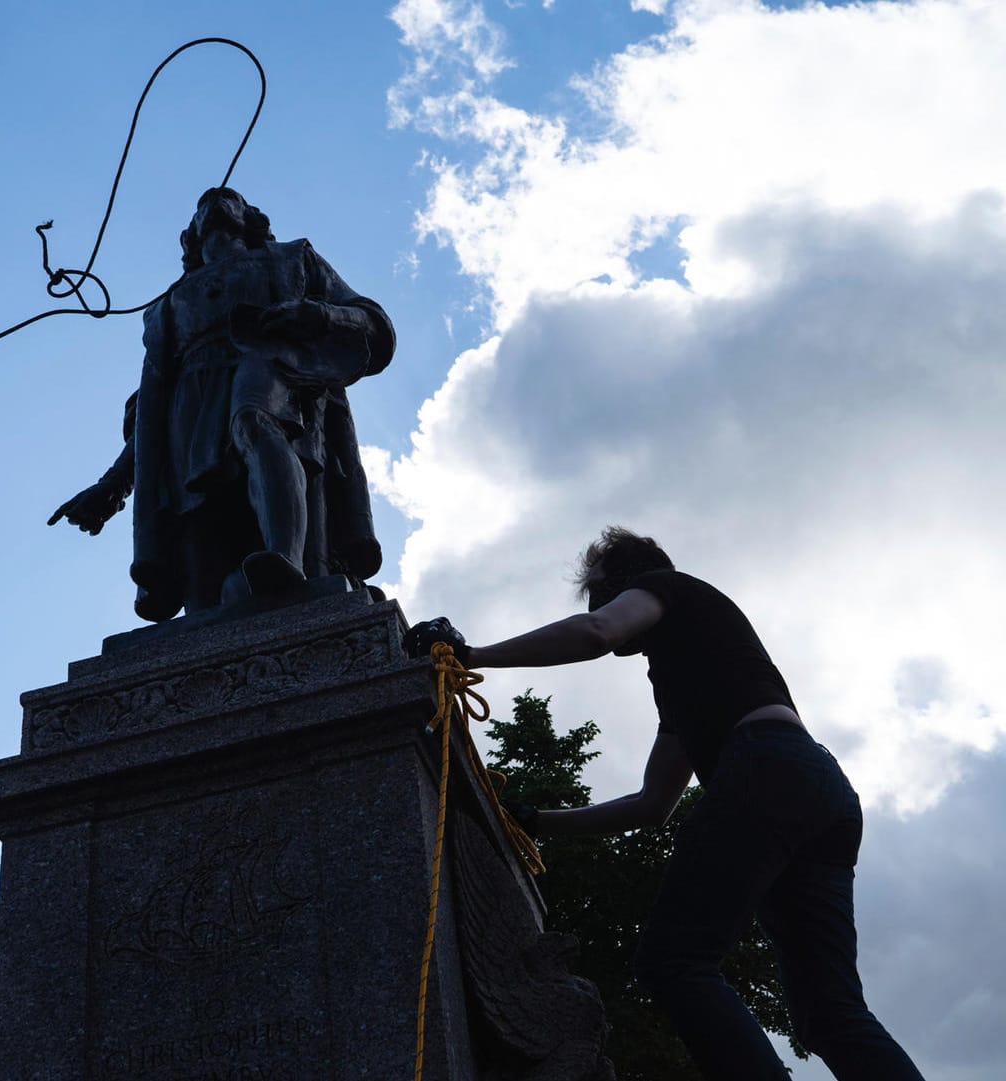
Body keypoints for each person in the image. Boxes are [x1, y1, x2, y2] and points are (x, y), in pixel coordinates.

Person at [410, 528, 923, 1080]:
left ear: (627, 582)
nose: (594, 605)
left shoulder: (667, 586)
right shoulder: (689, 669)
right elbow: (653, 804)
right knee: (830, 1013)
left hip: (767, 770)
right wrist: (538, 824)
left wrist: (474, 655)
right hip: (820, 791)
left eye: (598, 591)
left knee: (674, 960)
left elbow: (596, 632)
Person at [49, 187, 394, 621]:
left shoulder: (290, 259)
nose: (214, 201)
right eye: (201, 205)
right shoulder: (167, 308)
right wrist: (110, 487)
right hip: (188, 432)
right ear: (189, 235)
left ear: (251, 218)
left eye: (230, 197)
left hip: (273, 373)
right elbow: (151, 416)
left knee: (255, 421)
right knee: (204, 599)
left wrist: (316, 314)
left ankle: (284, 559)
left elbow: (375, 323)